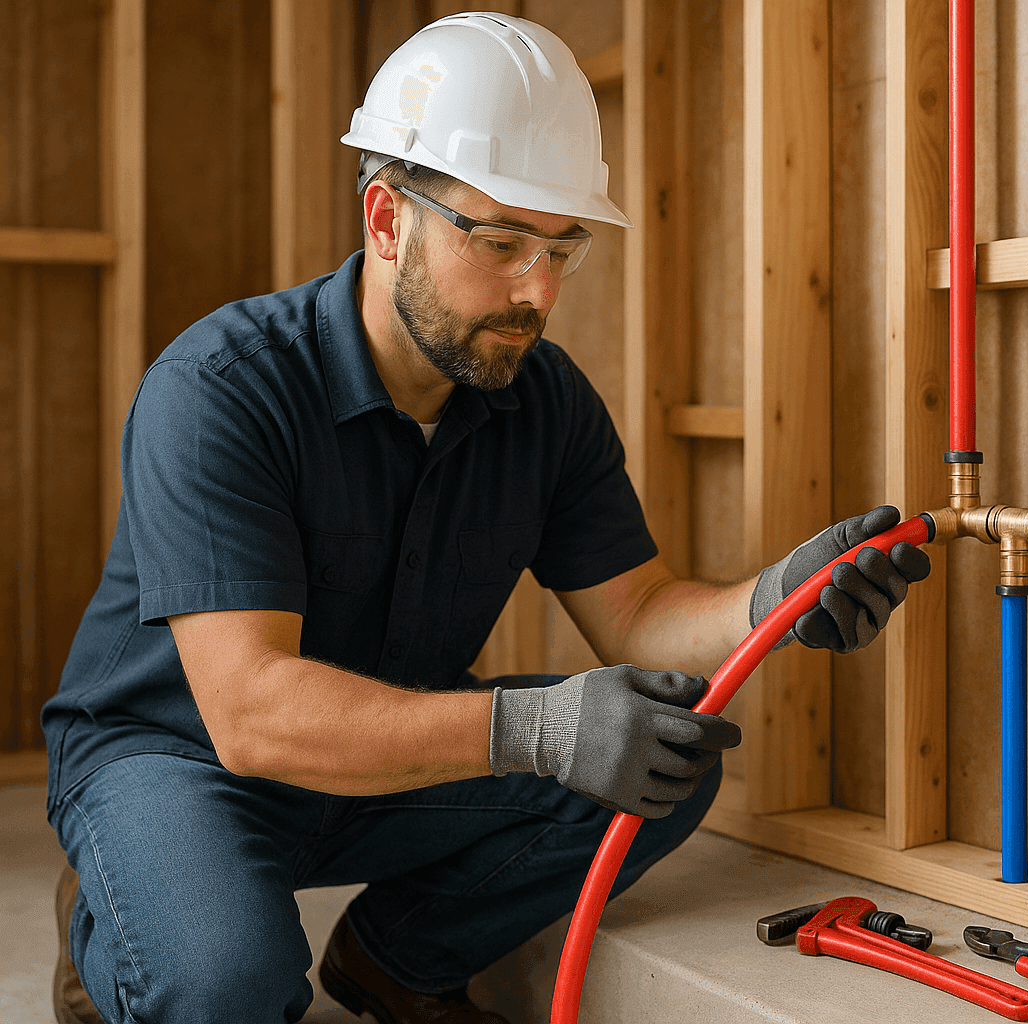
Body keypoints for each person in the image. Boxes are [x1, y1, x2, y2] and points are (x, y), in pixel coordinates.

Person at [41, 13, 930, 1024]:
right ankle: (124, 917)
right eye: (501, 241)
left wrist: (775, 600)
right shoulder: (223, 388)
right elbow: (249, 713)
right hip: (178, 757)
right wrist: (534, 727)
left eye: (562, 248)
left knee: (666, 755)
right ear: (385, 220)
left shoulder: (541, 400)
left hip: (381, 757)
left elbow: (636, 612)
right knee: (222, 982)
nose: (539, 291)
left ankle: (394, 958)